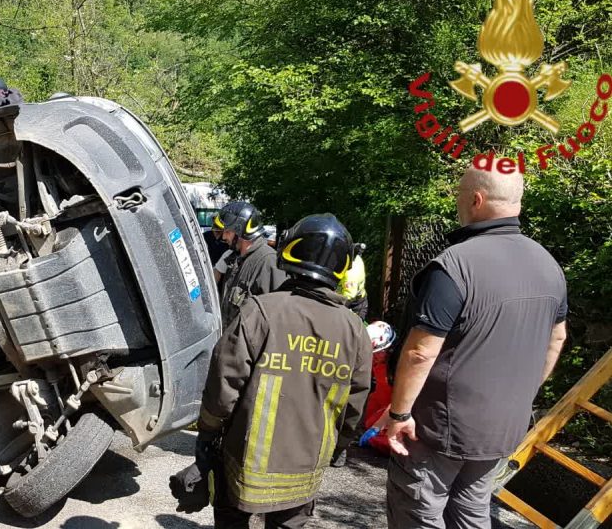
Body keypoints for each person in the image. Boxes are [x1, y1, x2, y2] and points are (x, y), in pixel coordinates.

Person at [384, 167, 568, 529]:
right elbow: (557, 339)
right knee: (472, 511)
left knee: (419, 511)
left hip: (438, 427)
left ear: (476, 199)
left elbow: (421, 352)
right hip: (503, 426)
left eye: (459, 194)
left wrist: (399, 414)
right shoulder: (550, 266)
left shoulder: (454, 266)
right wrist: (517, 397)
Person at [177, 213, 372, 528]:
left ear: (291, 250)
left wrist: (208, 433)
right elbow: (356, 401)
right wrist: (339, 446)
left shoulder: (260, 311)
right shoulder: (355, 330)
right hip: (304, 472)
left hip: (244, 463)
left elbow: (223, 385)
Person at [215, 201, 287, 328]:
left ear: (241, 232)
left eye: (227, 231)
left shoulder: (268, 262)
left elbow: (280, 318)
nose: (224, 237)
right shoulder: (235, 259)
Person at [337, 243, 368, 320]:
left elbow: (347, 299)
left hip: (354, 305)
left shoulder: (351, 274)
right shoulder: (350, 257)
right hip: (343, 294)